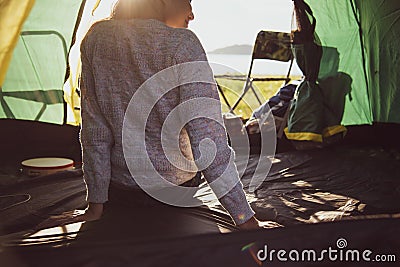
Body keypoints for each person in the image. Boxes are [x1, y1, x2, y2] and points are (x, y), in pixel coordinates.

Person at [39, 0, 269, 231]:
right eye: (188, 2)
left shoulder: (96, 39)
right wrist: (246, 219)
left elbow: (95, 131)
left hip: (118, 190)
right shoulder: (183, 44)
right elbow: (207, 137)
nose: (192, 14)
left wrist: (95, 206)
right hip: (177, 190)